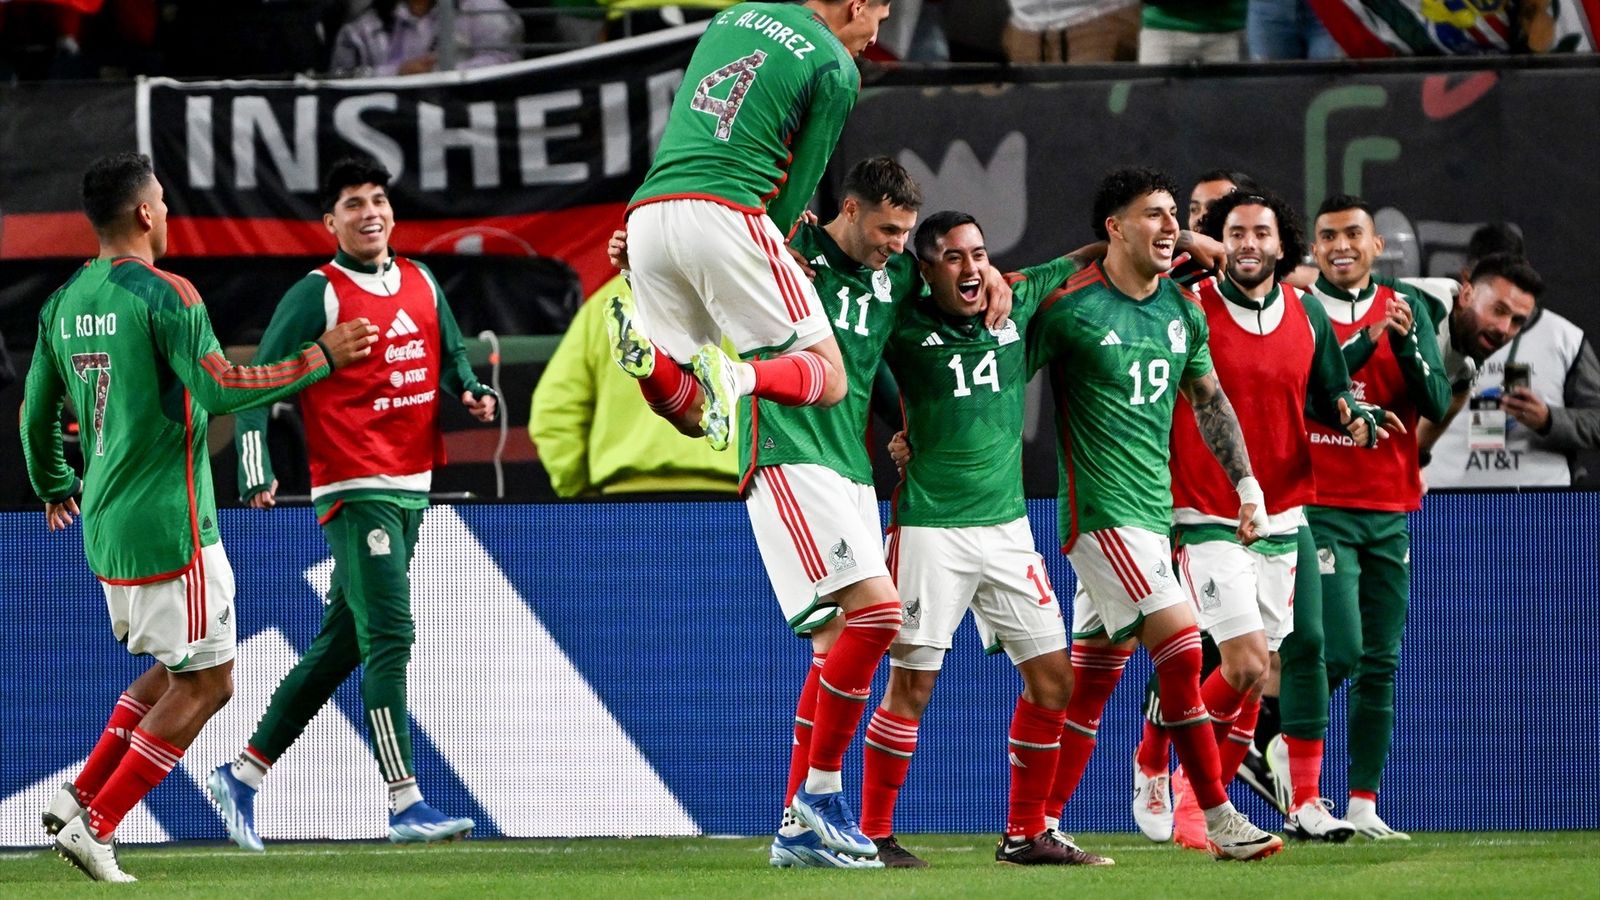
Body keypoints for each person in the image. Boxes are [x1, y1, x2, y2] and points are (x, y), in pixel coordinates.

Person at [23, 151, 376, 882]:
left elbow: (35, 414)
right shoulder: (166, 294)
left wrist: (55, 482)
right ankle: (99, 826)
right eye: (163, 202)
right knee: (209, 684)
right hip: (170, 524)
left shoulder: (62, 301)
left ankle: (77, 796)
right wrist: (322, 355)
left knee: (175, 664)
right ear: (145, 214)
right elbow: (222, 391)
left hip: (109, 521)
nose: (169, 215)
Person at [206, 156, 499, 851]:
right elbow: (258, 381)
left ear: (391, 212)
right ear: (329, 222)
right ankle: (405, 801)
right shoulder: (318, 293)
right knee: (391, 635)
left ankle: (240, 775)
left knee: (340, 646)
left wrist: (469, 391)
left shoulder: (424, 281)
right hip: (354, 487)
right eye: (352, 204)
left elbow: (452, 356)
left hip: (411, 487)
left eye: (377, 200)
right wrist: (255, 467)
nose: (369, 212)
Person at [1024, 166, 1283, 861]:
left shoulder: (1181, 310)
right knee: (1180, 640)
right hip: (1099, 516)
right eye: (1154, 215)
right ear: (1113, 228)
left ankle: (1037, 827)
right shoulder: (1066, 306)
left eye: (1176, 215)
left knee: (1093, 683)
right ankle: (1220, 816)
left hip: (1151, 518)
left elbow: (1209, 401)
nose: (1173, 228)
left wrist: (1247, 487)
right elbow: (994, 378)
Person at [860, 212, 1115, 867]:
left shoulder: (1017, 293)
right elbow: (853, 325)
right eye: (952, 257)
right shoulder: (901, 315)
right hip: (929, 531)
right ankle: (872, 835)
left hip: (1007, 531)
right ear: (925, 271)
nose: (971, 268)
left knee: (1053, 680)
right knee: (912, 687)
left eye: (979, 253)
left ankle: (1026, 834)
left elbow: (1091, 253)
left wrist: (1175, 244)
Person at [1156, 190, 1397, 849]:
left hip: (1290, 506)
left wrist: (1353, 413)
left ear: (1282, 245)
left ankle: (1310, 801)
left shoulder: (1309, 314)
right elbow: (1142, 273)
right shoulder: (1189, 304)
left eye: (1261, 232)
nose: (1249, 244)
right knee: (1242, 663)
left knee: (1307, 651)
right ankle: (1180, 787)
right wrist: (1191, 248)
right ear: (1220, 242)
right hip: (1208, 506)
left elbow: (1327, 395)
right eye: (1236, 233)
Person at [610, 0, 892, 452]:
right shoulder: (836, 67)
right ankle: (735, 373)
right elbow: (804, 179)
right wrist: (776, 247)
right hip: (726, 212)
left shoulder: (730, 16)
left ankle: (645, 357)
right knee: (832, 378)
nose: (876, 38)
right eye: (880, 19)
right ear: (858, 6)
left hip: (646, 213)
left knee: (694, 413)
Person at [1267, 193, 1452, 841]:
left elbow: (1434, 396)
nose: (1341, 245)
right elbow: (1310, 399)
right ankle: (1300, 785)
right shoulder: (1299, 309)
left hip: (1390, 506)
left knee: (1382, 659)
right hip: (1319, 504)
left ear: (1377, 246)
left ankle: (1364, 802)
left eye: (1353, 234)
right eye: (1327, 236)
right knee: (1331, 647)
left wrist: (1403, 345)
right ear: (1313, 250)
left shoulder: (1412, 308)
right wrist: (1368, 340)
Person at [529, 273, 741, 497]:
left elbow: (553, 411)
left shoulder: (607, 302)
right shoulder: (750, 295)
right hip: (733, 498)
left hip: (624, 502)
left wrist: (580, 493)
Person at [329, 0, 524, 77]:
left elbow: (505, 62)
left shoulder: (487, 10)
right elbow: (339, 80)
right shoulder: (361, 27)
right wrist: (397, 73)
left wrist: (441, 74)